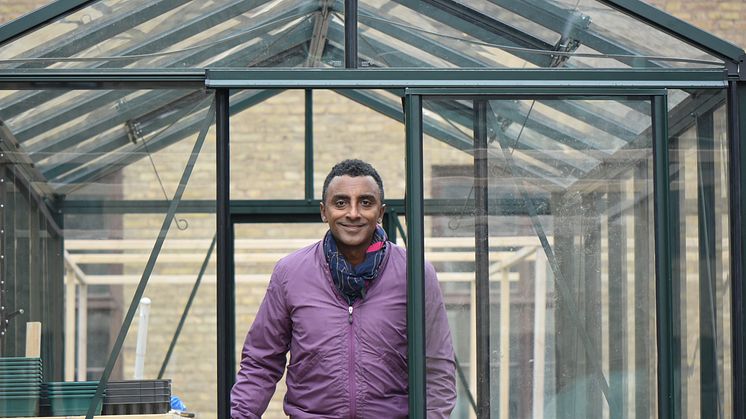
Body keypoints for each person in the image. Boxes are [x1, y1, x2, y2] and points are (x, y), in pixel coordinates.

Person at [231, 159, 457, 418]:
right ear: (323, 212)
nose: (353, 213)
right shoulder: (290, 273)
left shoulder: (414, 273)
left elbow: (438, 368)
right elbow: (260, 362)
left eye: (365, 202)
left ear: (380, 212)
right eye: (340, 203)